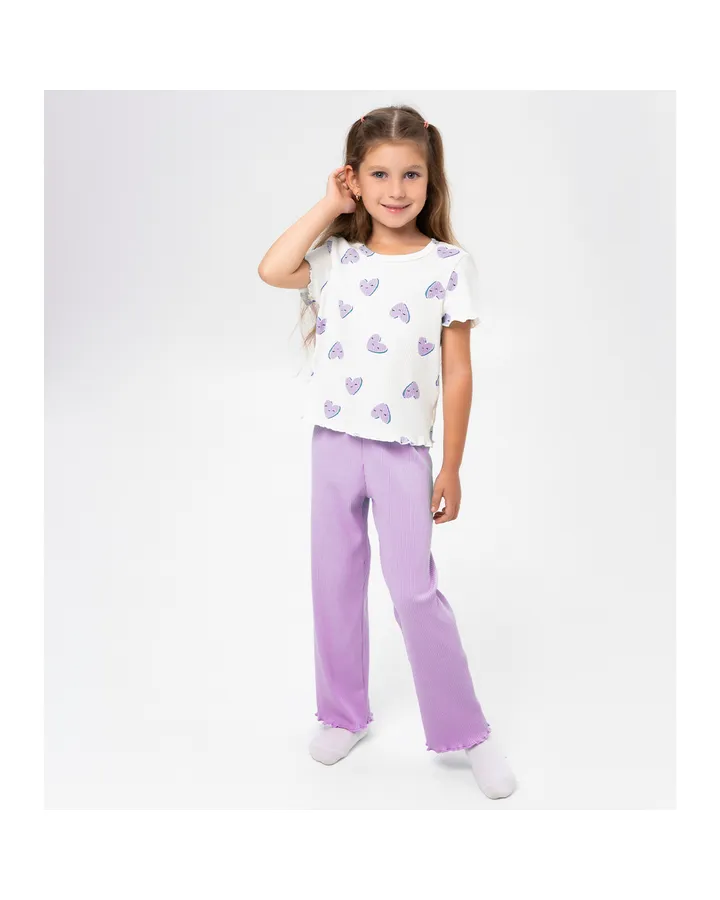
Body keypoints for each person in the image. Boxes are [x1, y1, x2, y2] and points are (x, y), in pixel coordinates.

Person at [258, 105, 517, 800]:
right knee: (334, 581)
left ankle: (467, 731)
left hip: (403, 450)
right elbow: (272, 268)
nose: (396, 190)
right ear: (355, 178)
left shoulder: (448, 266)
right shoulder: (337, 260)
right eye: (378, 175)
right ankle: (342, 713)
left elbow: (458, 372)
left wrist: (451, 464)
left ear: (432, 180)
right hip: (334, 440)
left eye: (411, 175)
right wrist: (328, 205)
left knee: (413, 592)